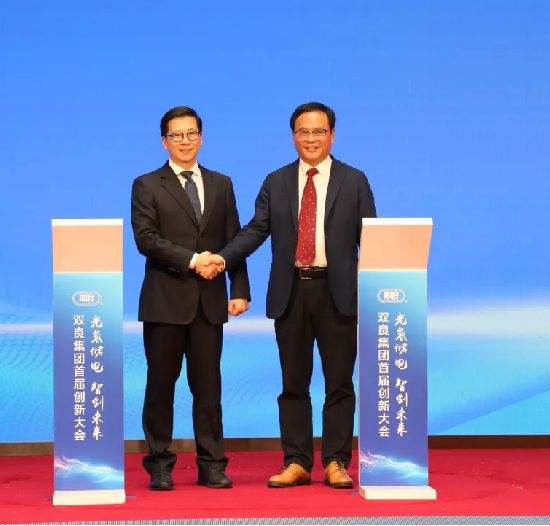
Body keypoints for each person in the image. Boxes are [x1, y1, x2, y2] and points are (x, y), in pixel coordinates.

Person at [202, 102, 376, 489]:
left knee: (339, 383)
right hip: (291, 292)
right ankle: (296, 461)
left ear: (332, 135)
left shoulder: (354, 180)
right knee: (293, 383)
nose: (310, 139)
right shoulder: (277, 181)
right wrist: (223, 258)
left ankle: (336, 461)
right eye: (303, 131)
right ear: (293, 136)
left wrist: (380, 290)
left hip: (338, 293)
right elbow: (255, 230)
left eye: (318, 131)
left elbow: (372, 239)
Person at [131, 106, 250, 491]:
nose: (185, 141)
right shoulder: (147, 184)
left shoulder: (221, 183)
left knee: (209, 389)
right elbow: (146, 239)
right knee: (160, 388)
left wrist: (240, 289)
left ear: (201, 137)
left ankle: (212, 464)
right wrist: (194, 260)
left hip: (209, 305)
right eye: (177, 135)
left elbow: (234, 240)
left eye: (191, 134)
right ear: (164, 141)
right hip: (164, 303)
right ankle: (159, 464)